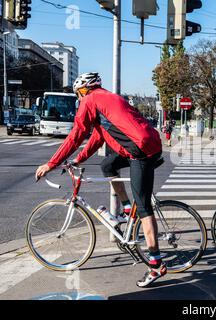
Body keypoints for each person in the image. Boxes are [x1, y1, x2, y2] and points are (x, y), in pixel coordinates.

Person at [35, 72, 166, 288]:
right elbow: (97, 138)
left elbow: (76, 135)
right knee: (107, 165)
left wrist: (51, 163)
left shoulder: (90, 100)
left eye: (78, 94)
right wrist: (77, 160)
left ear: (84, 89)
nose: (78, 99)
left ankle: (156, 264)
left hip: (141, 151)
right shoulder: (105, 100)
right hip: (145, 143)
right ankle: (125, 209)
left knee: (143, 209)